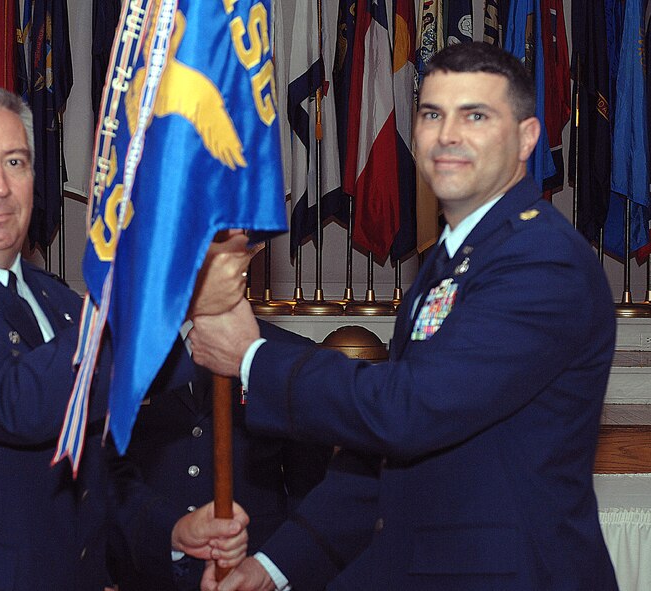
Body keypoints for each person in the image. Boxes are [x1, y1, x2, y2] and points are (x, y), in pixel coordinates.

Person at [189, 42, 619, 591]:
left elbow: (410, 410)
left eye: (476, 116)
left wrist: (253, 358)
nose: (448, 135)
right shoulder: (451, 259)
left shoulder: (542, 260)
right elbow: (385, 458)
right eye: (432, 114)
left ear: (527, 137)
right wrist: (274, 567)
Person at [0, 84, 248, 590]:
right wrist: (167, 292)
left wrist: (169, 532)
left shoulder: (59, 301)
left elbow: (87, 478)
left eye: (15, 162)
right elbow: (18, 402)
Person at [107, 234, 333, 590]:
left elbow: (308, 488)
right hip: (148, 569)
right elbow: (106, 477)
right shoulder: (122, 356)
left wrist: (281, 569)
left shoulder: (288, 356)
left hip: (253, 571)